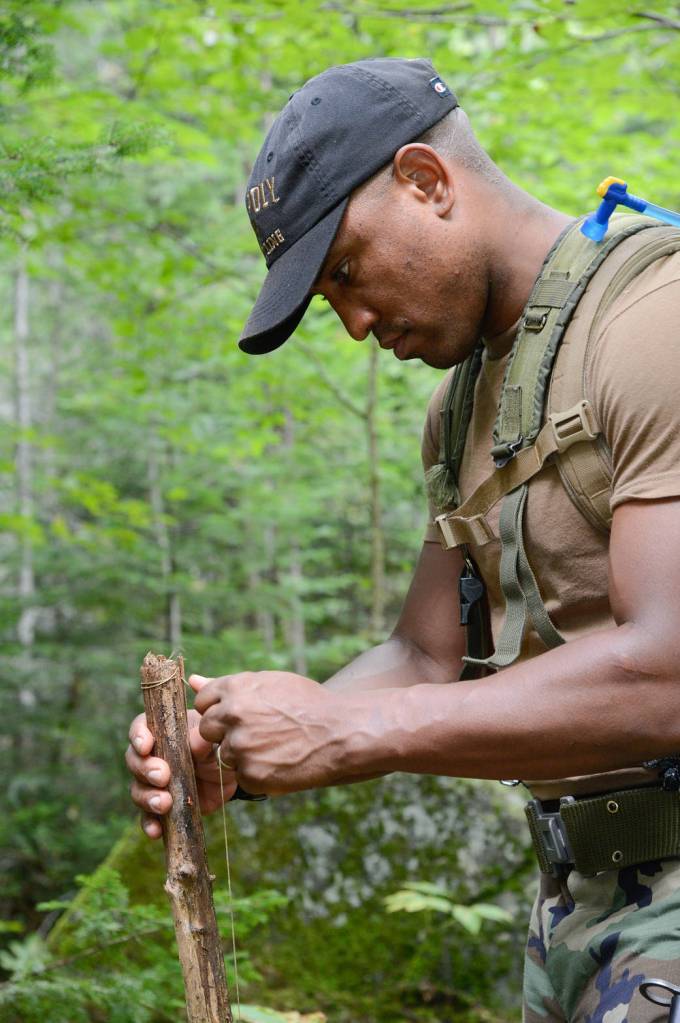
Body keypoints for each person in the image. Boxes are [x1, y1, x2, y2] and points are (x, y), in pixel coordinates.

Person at [126, 58, 680, 1021]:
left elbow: (672, 671)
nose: (352, 323)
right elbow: (422, 657)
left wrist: (350, 733)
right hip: (578, 907)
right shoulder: (463, 402)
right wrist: (232, 748)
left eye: (345, 271)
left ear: (427, 181)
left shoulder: (651, 323)